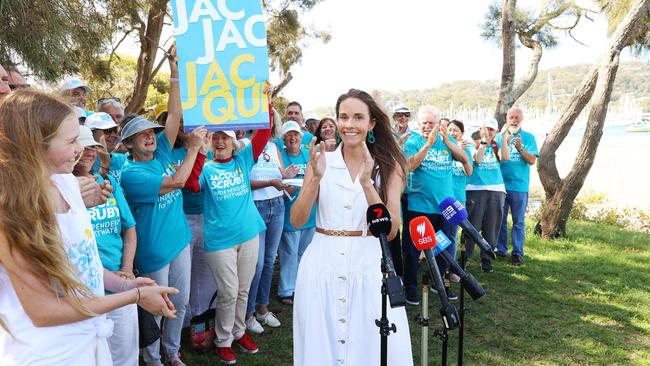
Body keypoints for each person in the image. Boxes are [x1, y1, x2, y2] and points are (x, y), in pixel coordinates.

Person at [0, 89, 177, 366]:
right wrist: (136, 296)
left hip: (88, 341)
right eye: (71, 141)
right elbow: (45, 311)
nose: (81, 149)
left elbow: (83, 263)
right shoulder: (11, 212)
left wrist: (122, 282)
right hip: (46, 354)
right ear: (35, 145)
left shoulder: (67, 186)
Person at [291, 88, 413, 366]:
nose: (349, 124)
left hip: (368, 267)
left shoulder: (390, 167)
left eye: (358, 117)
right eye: (343, 117)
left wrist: (368, 184)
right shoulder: (321, 161)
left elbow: (391, 230)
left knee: (369, 345)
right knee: (321, 347)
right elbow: (297, 220)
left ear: (371, 124)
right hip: (321, 267)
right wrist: (314, 179)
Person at [119, 50, 204, 366]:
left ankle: (171, 352)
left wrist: (175, 71)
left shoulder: (163, 153)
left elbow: (173, 113)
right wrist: (195, 149)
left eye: (150, 132)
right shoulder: (131, 174)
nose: (149, 137)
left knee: (178, 304)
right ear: (128, 144)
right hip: (153, 251)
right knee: (156, 306)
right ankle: (153, 358)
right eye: (139, 135)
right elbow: (178, 183)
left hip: (179, 242)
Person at [185, 119, 271, 364]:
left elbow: (263, 133)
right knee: (228, 292)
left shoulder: (243, 160)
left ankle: (239, 332)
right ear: (211, 143)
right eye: (216, 138)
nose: (221, 141)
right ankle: (223, 340)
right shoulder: (208, 167)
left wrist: (265, 101)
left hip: (249, 234)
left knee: (243, 289)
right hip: (220, 241)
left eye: (225, 138)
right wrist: (199, 152)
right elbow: (191, 185)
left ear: (234, 144)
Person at [73, 126, 140, 366]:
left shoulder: (108, 181)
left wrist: (128, 268)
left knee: (125, 356)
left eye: (94, 147)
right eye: (84, 147)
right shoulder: (61, 190)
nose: (90, 152)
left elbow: (129, 227)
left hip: (119, 284)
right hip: (84, 291)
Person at [403, 105, 468, 304]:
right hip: (420, 206)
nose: (427, 126)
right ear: (418, 123)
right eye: (424, 122)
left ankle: (438, 284)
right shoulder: (412, 140)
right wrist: (428, 145)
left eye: (431, 123)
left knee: (443, 247)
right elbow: (410, 165)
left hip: (445, 207)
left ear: (439, 124)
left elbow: (464, 158)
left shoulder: (445, 141)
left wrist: (447, 140)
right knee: (413, 249)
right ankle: (410, 288)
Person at [245, 111, 296, 334]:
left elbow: (281, 175)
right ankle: (248, 314)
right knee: (255, 265)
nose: (268, 122)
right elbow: (243, 180)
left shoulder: (274, 147)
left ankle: (263, 308)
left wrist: (288, 176)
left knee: (268, 261)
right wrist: (271, 182)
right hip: (256, 207)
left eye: (271, 118)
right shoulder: (243, 144)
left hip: (277, 205)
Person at [277, 121, 317, 306]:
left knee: (305, 252)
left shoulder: (307, 155)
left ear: (301, 137)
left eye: (296, 135)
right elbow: (278, 182)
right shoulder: (281, 156)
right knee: (289, 253)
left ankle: (301, 285)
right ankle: (286, 290)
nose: (293, 138)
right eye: (289, 135)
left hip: (309, 211)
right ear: (284, 138)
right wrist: (286, 180)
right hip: (289, 211)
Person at [465, 118, 510, 273]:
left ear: (496, 131)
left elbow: (505, 158)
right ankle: (465, 257)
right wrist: (484, 142)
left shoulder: (497, 143)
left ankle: (487, 258)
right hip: (475, 188)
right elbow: (477, 160)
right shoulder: (472, 142)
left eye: (492, 130)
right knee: (472, 226)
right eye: (487, 129)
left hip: (496, 189)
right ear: (481, 129)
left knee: (492, 227)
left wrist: (503, 137)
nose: (489, 132)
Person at [496, 107, 538, 266]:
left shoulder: (528, 137)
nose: (514, 120)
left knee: (518, 221)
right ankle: (500, 249)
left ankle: (517, 253)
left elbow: (532, 160)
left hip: (519, 186)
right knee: (500, 220)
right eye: (511, 117)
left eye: (517, 118)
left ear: (522, 119)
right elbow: (496, 159)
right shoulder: (501, 137)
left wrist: (520, 148)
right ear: (506, 119)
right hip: (500, 186)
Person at [446, 119, 473, 282]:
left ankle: (451, 269)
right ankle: (437, 267)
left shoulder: (466, 151)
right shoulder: (443, 149)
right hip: (442, 198)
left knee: (452, 235)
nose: (452, 133)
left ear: (462, 133)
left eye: (455, 130)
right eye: (449, 130)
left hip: (458, 199)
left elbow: (469, 172)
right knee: (440, 234)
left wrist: (461, 155)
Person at [85, 112, 126, 181]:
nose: (114, 135)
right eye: (108, 131)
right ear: (90, 133)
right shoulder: (83, 165)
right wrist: (105, 164)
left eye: (115, 130)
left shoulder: (123, 160)